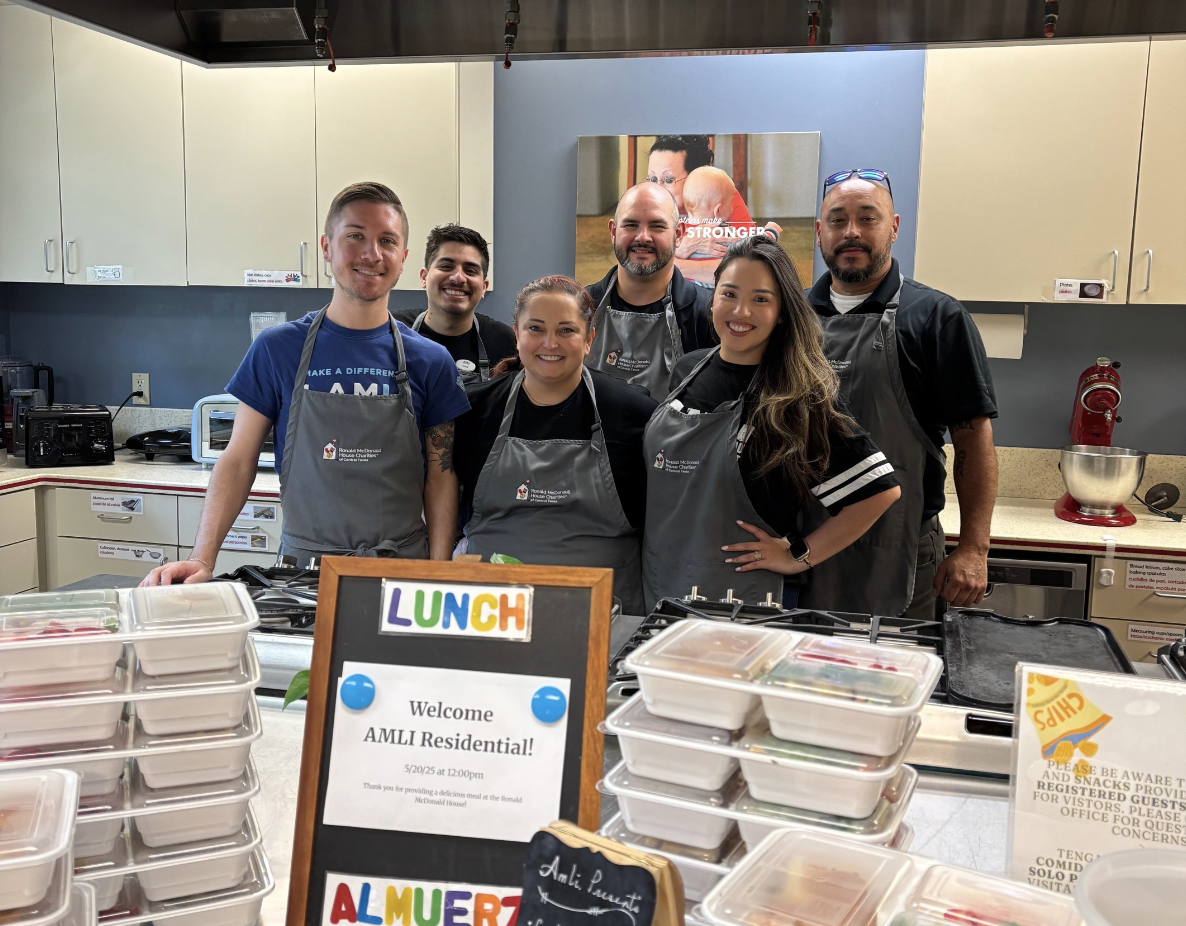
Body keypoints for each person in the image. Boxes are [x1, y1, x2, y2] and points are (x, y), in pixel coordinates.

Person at [142, 182, 469, 585]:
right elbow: (238, 459)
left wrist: (438, 574)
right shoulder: (277, 349)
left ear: (402, 258)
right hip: (300, 575)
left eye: (387, 241)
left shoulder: (431, 361)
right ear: (326, 247)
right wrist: (202, 559)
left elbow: (440, 475)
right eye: (355, 236)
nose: (372, 253)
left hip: (400, 572)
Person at [643, 235, 901, 610]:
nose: (741, 311)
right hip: (663, 584)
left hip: (745, 600)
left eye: (761, 299)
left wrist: (799, 555)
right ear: (713, 298)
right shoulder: (688, 370)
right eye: (729, 294)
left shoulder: (796, 396)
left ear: (782, 312)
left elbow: (878, 491)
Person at [804, 168, 999, 618]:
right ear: (819, 232)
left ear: (893, 228)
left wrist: (974, 548)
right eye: (837, 220)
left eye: (867, 218)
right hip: (804, 544)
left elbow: (973, 440)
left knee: (897, 662)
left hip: (902, 546)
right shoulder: (790, 317)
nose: (851, 232)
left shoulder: (937, 318)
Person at [455, 276, 657, 613]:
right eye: (535, 328)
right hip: (492, 607)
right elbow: (440, 492)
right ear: (516, 334)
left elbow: (671, 509)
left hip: (604, 609)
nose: (550, 343)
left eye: (566, 330)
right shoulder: (475, 410)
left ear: (589, 339)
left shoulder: (632, 412)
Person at [586, 183, 715, 399]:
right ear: (613, 231)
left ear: (678, 234)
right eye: (631, 225)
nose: (643, 237)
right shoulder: (580, 309)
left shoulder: (708, 316)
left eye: (657, 226)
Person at [646, 135, 780, 285]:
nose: (657, 189)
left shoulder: (721, 197)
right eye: (653, 179)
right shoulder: (646, 202)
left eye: (669, 179)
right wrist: (679, 250)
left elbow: (749, 267)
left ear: (698, 176)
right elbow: (639, 265)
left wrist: (671, 264)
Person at [392, 224, 516, 386]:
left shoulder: (503, 341)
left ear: (484, 287)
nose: (458, 278)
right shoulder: (392, 331)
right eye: (446, 267)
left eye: (470, 270)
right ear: (424, 277)